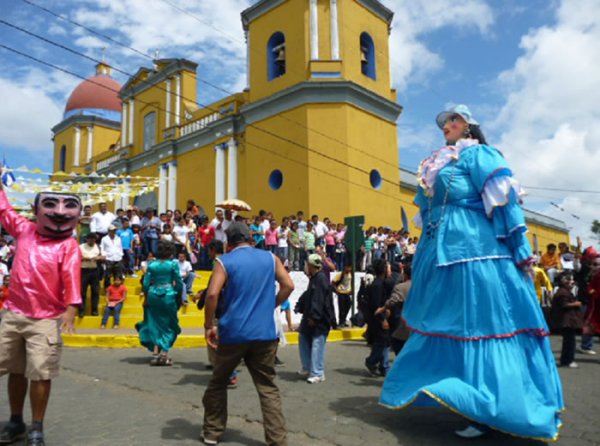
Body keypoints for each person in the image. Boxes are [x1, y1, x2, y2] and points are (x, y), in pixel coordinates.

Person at [380, 105, 563, 441]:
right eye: (445, 122)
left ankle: (490, 407)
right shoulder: (438, 163)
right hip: (441, 255)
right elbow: (427, 206)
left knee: (485, 326)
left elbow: (505, 201)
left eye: (454, 120)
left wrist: (521, 249)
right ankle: (467, 399)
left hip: (478, 254)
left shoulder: (479, 155)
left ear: (468, 126)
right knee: (453, 327)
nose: (446, 125)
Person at [0, 182, 82, 446]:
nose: (59, 211)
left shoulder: (68, 246)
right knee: (14, 369)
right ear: (36, 210)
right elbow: (4, 210)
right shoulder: (24, 230)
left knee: (40, 372)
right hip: (13, 314)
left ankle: (36, 426)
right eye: (50, 205)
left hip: (45, 319)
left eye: (69, 206)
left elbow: (71, 276)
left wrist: (71, 307)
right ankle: (15, 422)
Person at [201, 222, 294, 445]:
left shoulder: (224, 261)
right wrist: (271, 304)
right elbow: (288, 285)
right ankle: (277, 440)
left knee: (218, 383)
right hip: (264, 334)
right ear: (250, 239)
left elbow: (212, 295)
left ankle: (212, 432)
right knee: (268, 388)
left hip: (233, 333)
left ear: (229, 242)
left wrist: (208, 326)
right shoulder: (270, 258)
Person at [135, 240, 184, 366]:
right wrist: (178, 294)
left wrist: (146, 296)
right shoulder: (172, 265)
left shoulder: (151, 265)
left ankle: (156, 353)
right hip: (168, 294)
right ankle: (164, 354)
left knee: (155, 324)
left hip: (153, 294)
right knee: (170, 324)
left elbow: (145, 283)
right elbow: (178, 282)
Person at [295, 253, 335, 384]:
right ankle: (307, 367)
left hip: (319, 320)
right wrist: (300, 306)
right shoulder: (314, 278)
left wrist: (314, 316)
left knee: (317, 345)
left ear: (311, 265)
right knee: (303, 338)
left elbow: (319, 300)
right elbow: (309, 296)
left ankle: (317, 372)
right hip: (310, 317)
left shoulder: (321, 279)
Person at [364, 258, 391, 377]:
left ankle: (381, 366)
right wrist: (383, 319)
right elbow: (376, 305)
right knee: (381, 342)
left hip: (379, 318)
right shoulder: (377, 285)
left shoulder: (381, 283)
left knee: (383, 343)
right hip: (378, 319)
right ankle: (371, 361)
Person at [550, 271, 582, 368]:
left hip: (568, 321)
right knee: (569, 342)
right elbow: (564, 305)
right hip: (566, 321)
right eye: (570, 280)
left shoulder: (565, 291)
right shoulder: (562, 292)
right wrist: (576, 304)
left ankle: (566, 360)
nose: (572, 282)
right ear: (565, 281)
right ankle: (568, 360)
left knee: (569, 341)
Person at [79, 233, 104, 317]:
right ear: (87, 239)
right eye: (90, 239)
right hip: (84, 270)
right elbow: (76, 257)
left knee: (95, 292)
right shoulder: (81, 247)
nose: (91, 240)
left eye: (93, 239)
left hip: (94, 270)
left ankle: (94, 311)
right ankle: (81, 311)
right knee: (82, 292)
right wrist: (84, 258)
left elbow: (104, 257)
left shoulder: (98, 247)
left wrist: (98, 258)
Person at [100, 225, 124, 289]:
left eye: (114, 230)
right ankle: (107, 289)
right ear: (109, 231)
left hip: (117, 258)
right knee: (108, 275)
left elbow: (120, 247)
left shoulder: (118, 238)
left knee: (118, 275)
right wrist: (104, 256)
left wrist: (121, 255)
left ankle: (118, 289)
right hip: (108, 258)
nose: (113, 231)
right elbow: (102, 248)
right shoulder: (104, 239)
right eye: (112, 230)